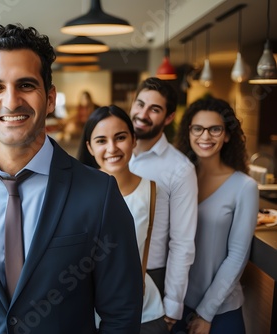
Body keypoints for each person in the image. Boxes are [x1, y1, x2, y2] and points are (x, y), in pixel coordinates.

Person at [0, 23, 143, 333]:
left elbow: (122, 313)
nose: (11, 101)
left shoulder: (98, 194)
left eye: (25, 85)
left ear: (49, 98)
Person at [78, 105, 168, 334]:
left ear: (133, 139)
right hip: (86, 314)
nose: (112, 148)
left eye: (120, 138)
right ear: (89, 146)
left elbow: (170, 250)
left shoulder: (152, 191)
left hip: (143, 312)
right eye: (101, 140)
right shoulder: (74, 194)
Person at [171, 97, 258, 334]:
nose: (205, 136)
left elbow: (238, 256)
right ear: (189, 132)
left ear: (227, 135)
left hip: (219, 312)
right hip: (175, 306)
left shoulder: (244, 187)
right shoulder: (178, 180)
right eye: (197, 128)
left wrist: (205, 313)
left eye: (215, 129)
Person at [128, 77, 198, 330]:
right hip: (106, 275)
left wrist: (173, 305)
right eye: (140, 104)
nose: (143, 114)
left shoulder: (179, 169)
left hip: (152, 276)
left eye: (154, 109)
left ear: (168, 118)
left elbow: (182, 242)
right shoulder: (113, 153)